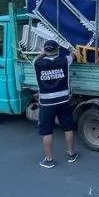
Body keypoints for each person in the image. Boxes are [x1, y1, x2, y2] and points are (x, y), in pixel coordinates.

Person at [33, 40, 78, 169]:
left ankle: (49, 160)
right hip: (63, 100)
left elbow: (37, 58)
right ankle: (71, 153)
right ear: (57, 49)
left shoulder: (38, 63)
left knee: (47, 132)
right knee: (68, 127)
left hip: (46, 103)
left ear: (45, 50)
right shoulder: (64, 61)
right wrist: (68, 48)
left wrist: (44, 52)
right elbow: (74, 54)